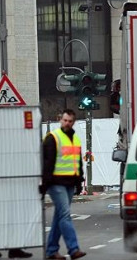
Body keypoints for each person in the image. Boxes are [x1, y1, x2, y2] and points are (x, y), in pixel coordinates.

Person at [40, 109, 87, 260]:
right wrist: (45, 184)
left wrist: (80, 182)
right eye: (65, 120)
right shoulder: (52, 138)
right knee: (65, 215)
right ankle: (73, 249)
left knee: (59, 217)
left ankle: (51, 251)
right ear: (60, 120)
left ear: (73, 122)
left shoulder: (76, 139)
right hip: (56, 183)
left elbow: (78, 163)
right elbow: (47, 163)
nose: (67, 123)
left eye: (70, 121)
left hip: (69, 183)